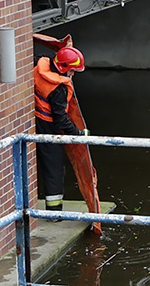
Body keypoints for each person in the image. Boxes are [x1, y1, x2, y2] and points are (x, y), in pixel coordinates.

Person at [33, 45, 90, 217]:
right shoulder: (58, 89)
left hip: (34, 119)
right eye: (72, 71)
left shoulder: (40, 63)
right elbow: (61, 120)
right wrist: (78, 133)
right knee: (54, 168)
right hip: (47, 127)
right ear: (63, 68)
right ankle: (54, 213)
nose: (72, 75)